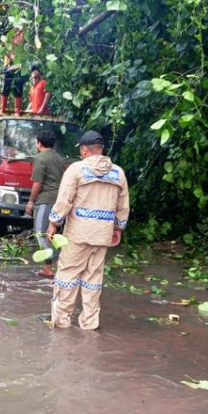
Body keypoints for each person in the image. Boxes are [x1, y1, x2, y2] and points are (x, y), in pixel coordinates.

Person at [46, 130, 129, 331]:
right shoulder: (118, 173)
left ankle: (61, 321)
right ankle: (90, 323)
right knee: (93, 279)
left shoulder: (76, 169)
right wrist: (118, 228)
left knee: (67, 275)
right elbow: (123, 205)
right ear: (101, 150)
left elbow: (64, 200)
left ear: (84, 150)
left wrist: (53, 223)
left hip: (78, 234)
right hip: (103, 234)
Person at [25, 130, 65, 278]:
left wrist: (30, 202)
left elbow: (38, 183)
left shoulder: (40, 158)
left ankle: (50, 266)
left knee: (41, 233)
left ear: (38, 143)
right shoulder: (60, 159)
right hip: (60, 201)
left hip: (45, 200)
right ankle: (51, 266)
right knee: (53, 233)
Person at [0, 29, 26, 115]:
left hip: (19, 65)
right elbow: (3, 47)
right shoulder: (9, 33)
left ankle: (17, 111)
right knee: (6, 87)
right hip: (8, 64)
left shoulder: (23, 33)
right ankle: (2, 110)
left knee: (18, 88)